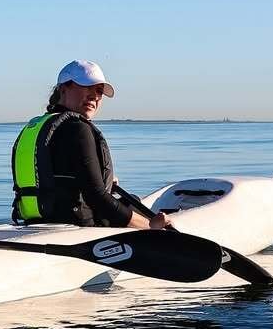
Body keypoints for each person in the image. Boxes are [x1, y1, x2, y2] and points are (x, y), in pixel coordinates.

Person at [11, 59, 170, 230]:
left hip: (36, 223)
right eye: (86, 86)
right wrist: (150, 226)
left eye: (99, 91)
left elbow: (57, 176)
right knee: (134, 206)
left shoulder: (37, 127)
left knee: (130, 199)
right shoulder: (78, 129)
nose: (94, 95)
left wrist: (100, 179)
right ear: (64, 88)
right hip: (76, 227)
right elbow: (97, 198)